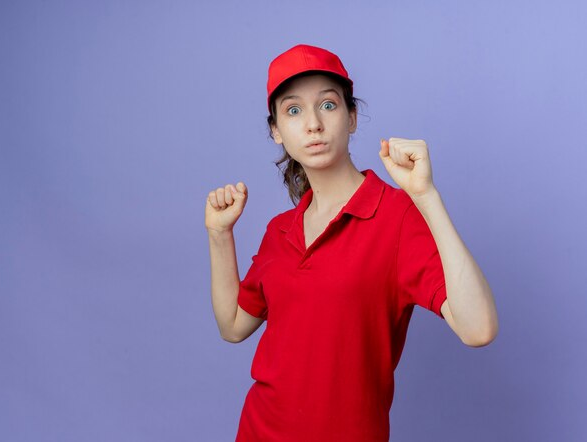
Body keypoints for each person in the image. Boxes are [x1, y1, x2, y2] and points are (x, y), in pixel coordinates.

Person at [205, 44, 498, 442]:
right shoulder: (280, 231)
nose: (312, 124)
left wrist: (425, 196)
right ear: (276, 130)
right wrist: (220, 235)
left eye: (327, 105)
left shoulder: (396, 216)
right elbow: (234, 326)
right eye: (293, 111)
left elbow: (478, 329)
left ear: (352, 116)